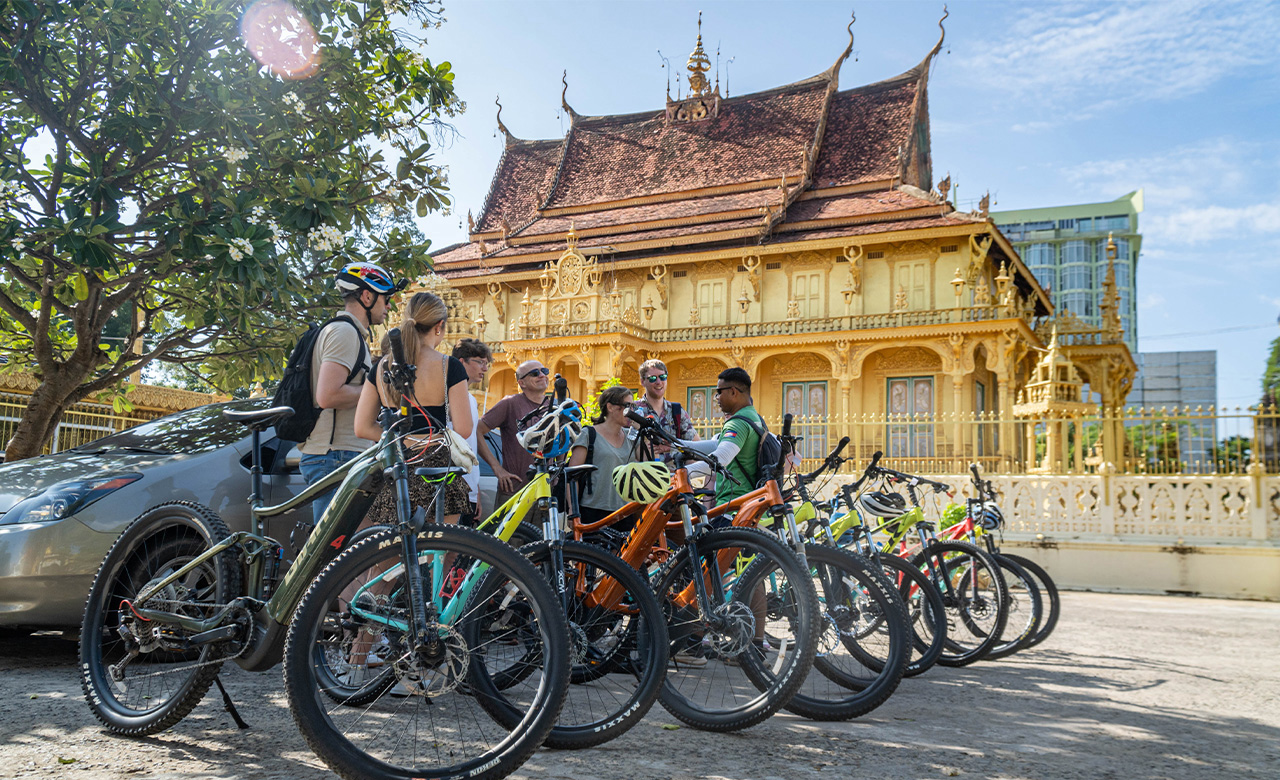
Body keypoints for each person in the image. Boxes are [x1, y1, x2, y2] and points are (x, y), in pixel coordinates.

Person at [299, 261, 406, 525]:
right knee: (341, 549)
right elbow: (328, 395)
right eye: (386, 299)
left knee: (357, 547)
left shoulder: (351, 333)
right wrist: (377, 389)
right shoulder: (344, 332)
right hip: (336, 455)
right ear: (367, 296)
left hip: (342, 454)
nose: (389, 306)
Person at [354, 291, 473, 525]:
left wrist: (403, 439)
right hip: (437, 468)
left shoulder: (381, 368)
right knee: (440, 544)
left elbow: (362, 427)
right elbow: (464, 428)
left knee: (392, 544)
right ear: (439, 326)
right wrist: (427, 439)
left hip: (394, 464)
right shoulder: (449, 366)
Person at [686, 367, 765, 508]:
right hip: (752, 502)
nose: (717, 398)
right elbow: (717, 445)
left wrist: (682, 473)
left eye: (719, 392)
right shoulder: (755, 418)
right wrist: (674, 444)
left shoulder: (738, 423)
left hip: (734, 505)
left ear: (733, 392)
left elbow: (721, 458)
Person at [478, 359, 550, 510]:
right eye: (535, 373)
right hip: (514, 490)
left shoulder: (554, 407)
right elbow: (478, 431)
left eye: (544, 371)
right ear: (521, 383)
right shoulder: (510, 403)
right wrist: (497, 469)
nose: (542, 375)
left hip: (545, 491)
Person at [567, 385, 639, 529]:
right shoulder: (589, 434)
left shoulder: (632, 437)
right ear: (610, 407)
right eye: (627, 406)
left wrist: (641, 431)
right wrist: (572, 511)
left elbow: (648, 463)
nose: (630, 411)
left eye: (633, 407)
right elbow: (572, 475)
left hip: (625, 510)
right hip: (593, 510)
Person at [452, 338, 492, 523]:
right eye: (480, 362)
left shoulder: (471, 399)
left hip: (470, 488)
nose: (485, 369)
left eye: (486, 364)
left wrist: (475, 490)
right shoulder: (446, 396)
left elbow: (471, 446)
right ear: (462, 362)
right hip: (452, 485)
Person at [633, 359, 698, 450]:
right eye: (652, 378)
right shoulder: (634, 411)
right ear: (642, 381)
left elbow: (696, 445)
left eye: (662, 377)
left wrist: (672, 447)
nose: (658, 382)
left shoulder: (676, 411)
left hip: (675, 459)